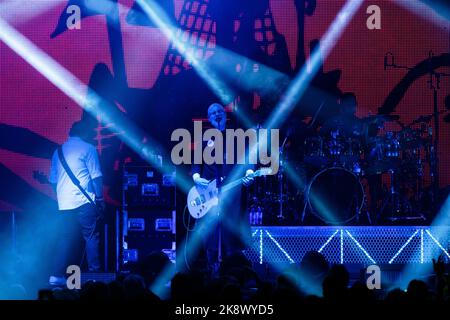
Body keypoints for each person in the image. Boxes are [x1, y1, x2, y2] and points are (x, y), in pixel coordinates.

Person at [191, 103, 254, 275]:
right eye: (212, 113)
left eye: (219, 111)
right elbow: (196, 163)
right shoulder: (204, 138)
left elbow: (248, 158)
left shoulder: (237, 136)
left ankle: (233, 269)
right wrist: (197, 178)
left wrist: (249, 172)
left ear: (224, 115)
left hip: (232, 191)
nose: (217, 114)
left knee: (231, 228)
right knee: (211, 230)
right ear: (209, 117)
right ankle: (213, 268)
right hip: (210, 191)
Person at [48, 120, 104, 282]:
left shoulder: (57, 151)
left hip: (64, 204)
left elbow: (53, 180)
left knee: (65, 238)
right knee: (91, 237)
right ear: (85, 133)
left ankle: (57, 275)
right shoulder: (89, 149)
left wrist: (63, 195)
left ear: (70, 133)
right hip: (84, 202)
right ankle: (94, 275)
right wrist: (100, 198)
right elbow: (96, 177)